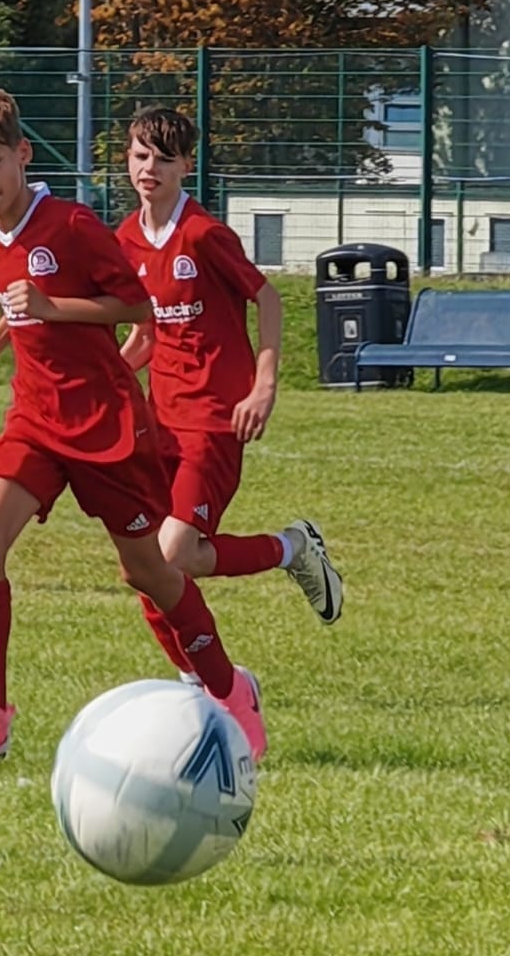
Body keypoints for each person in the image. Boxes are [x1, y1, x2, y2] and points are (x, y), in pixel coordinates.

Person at [0, 88, 264, 762]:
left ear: (22, 154)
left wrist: (50, 306)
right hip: (35, 419)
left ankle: (228, 690)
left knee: (152, 572)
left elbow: (133, 307)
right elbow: (20, 306)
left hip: (106, 425)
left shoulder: (71, 224)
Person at [114, 106, 342, 627]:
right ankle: (290, 551)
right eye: (141, 156)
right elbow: (149, 333)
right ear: (127, 158)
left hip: (215, 420)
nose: (150, 168)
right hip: (161, 421)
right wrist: (110, 377)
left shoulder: (202, 234)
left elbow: (268, 298)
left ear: (186, 166)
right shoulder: (126, 239)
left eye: (164, 160)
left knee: (170, 555)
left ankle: (291, 552)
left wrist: (263, 386)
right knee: (160, 561)